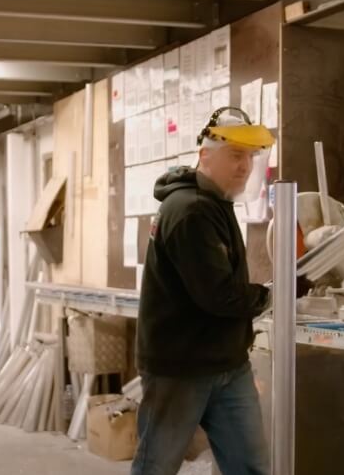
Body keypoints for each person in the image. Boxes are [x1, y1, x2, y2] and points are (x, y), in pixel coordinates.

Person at [132, 107, 275, 475]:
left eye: (248, 157)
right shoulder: (191, 210)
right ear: (205, 155)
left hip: (227, 363)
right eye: (234, 156)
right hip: (180, 368)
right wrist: (271, 296)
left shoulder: (216, 203)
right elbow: (218, 295)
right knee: (157, 467)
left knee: (251, 467)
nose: (243, 166)